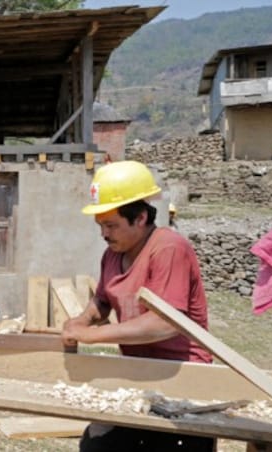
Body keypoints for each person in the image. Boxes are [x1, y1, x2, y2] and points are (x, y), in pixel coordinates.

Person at [61, 160, 214, 452]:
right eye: (101, 226)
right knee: (96, 445)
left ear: (141, 217)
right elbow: (103, 300)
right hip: (136, 374)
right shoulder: (112, 255)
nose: (104, 234)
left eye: (111, 225)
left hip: (183, 378)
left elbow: (165, 323)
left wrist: (92, 336)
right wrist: (82, 321)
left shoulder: (168, 248)